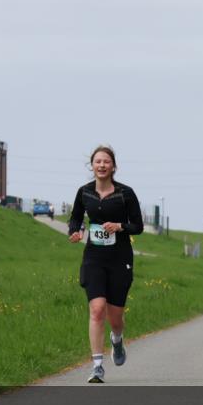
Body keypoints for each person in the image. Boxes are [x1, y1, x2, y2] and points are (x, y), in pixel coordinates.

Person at [68, 145, 143, 383]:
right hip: (94, 258)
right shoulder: (84, 192)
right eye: (98, 161)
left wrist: (120, 226)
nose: (101, 165)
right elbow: (76, 217)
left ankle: (117, 339)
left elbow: (138, 226)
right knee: (97, 309)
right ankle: (97, 366)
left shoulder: (126, 193)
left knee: (115, 317)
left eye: (106, 162)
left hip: (120, 258)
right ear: (92, 166)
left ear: (113, 166)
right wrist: (75, 231)